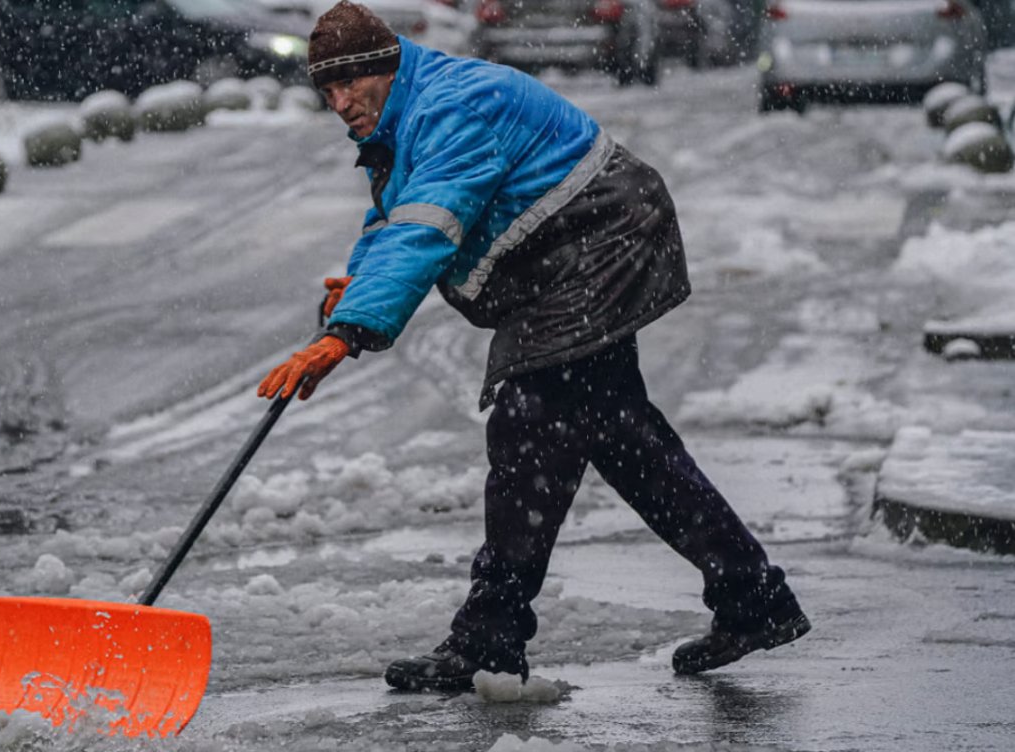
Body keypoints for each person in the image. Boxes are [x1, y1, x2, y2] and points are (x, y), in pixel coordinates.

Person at [257, 0, 810, 691]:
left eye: (350, 85)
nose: (339, 103)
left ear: (387, 68)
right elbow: (396, 214)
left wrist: (349, 331)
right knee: (616, 433)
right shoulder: (408, 111)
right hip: (570, 251)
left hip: (600, 237)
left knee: (531, 424)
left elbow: (429, 221)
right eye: (327, 91)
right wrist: (360, 281)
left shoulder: (455, 106)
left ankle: (491, 637)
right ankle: (751, 596)